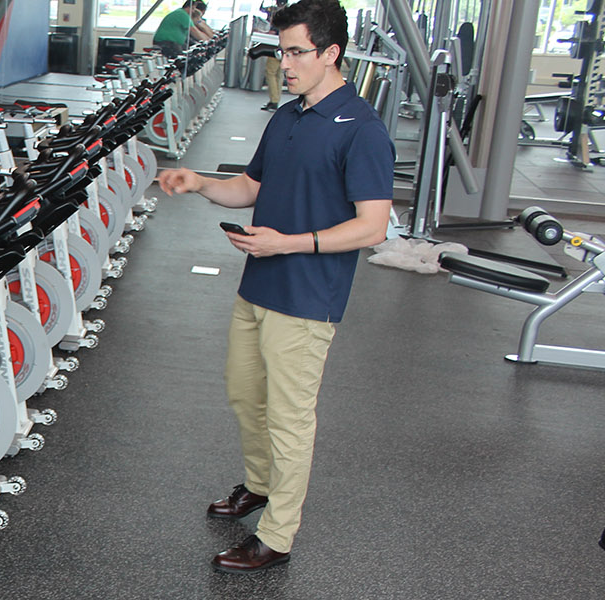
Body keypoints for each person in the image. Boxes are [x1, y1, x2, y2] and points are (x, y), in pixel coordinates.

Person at [156, 0, 393, 573]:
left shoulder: (362, 130)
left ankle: (277, 536)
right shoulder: (288, 116)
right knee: (244, 394)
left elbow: (373, 226)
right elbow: (248, 187)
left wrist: (287, 243)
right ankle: (259, 485)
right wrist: (199, 183)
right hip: (258, 284)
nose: (284, 63)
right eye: (281, 50)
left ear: (330, 53)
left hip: (308, 296)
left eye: (295, 52)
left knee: (289, 419)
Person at [259, 0, 290, 111]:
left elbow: (273, 32)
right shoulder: (290, 13)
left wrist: (260, 32)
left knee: (270, 72)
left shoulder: (279, 15)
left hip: (276, 47)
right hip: (285, 47)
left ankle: (274, 101)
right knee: (278, 74)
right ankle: (275, 100)